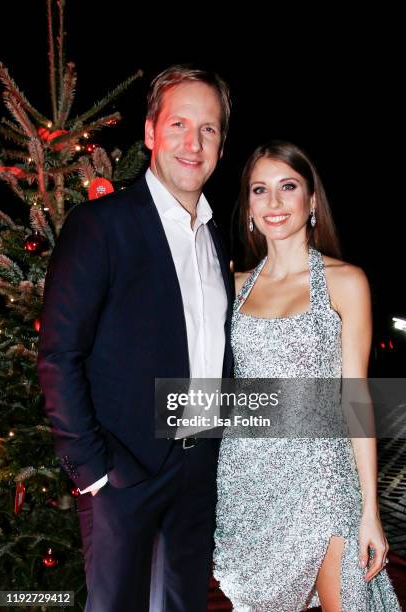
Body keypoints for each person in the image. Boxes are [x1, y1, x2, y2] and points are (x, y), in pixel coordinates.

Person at [37, 65, 233, 612]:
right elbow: (58, 354)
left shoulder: (216, 238)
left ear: (221, 142)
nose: (193, 144)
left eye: (209, 129)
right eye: (178, 125)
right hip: (122, 476)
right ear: (150, 132)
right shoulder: (101, 225)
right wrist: (93, 471)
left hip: (198, 470)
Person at [213, 141, 401, 611]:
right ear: (248, 206)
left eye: (288, 187)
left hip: (325, 477)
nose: (274, 203)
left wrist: (371, 511)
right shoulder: (229, 287)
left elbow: (355, 397)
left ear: (311, 201)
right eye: (260, 190)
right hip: (249, 482)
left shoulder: (346, 282)